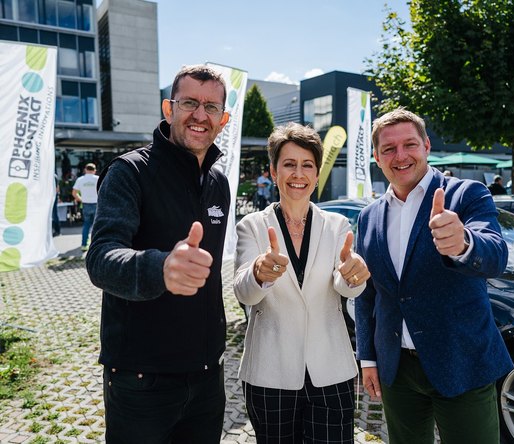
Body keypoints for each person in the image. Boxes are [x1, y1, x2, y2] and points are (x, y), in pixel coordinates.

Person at [85, 64, 231, 443]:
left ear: (224, 119)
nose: (200, 115)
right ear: (168, 110)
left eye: (211, 107)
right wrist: (160, 267)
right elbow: (100, 258)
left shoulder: (219, 183)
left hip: (207, 377)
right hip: (141, 380)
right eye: (189, 103)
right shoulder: (129, 172)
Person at [355, 108, 512, 443]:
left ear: (426, 146)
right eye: (388, 149)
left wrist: (464, 243)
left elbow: (496, 255)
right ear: (377, 157)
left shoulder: (466, 194)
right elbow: (369, 294)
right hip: (397, 369)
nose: (400, 156)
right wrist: (367, 357)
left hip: (461, 362)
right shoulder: (368, 217)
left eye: (410, 144)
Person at [234, 122, 370, 444]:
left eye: (307, 165)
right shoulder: (252, 225)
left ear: (317, 173)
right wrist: (259, 273)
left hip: (331, 370)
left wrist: (354, 276)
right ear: (274, 170)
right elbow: (243, 290)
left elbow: (345, 282)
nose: (299, 173)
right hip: (270, 371)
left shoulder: (337, 225)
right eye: (289, 164)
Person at [72, 163, 99, 250]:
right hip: (96, 204)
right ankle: (96, 245)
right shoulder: (98, 179)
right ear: (94, 170)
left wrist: (81, 199)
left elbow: (74, 193)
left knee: (86, 224)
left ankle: (84, 244)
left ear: (85, 170)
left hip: (85, 204)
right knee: (97, 225)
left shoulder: (80, 179)